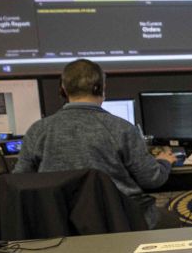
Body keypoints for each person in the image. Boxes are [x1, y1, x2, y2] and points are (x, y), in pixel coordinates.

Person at [14, 59, 179, 228]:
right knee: (169, 219)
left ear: (63, 90)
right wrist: (164, 161)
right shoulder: (121, 129)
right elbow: (151, 179)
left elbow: (19, 181)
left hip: (56, 224)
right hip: (120, 222)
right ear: (100, 88)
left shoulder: (38, 130)